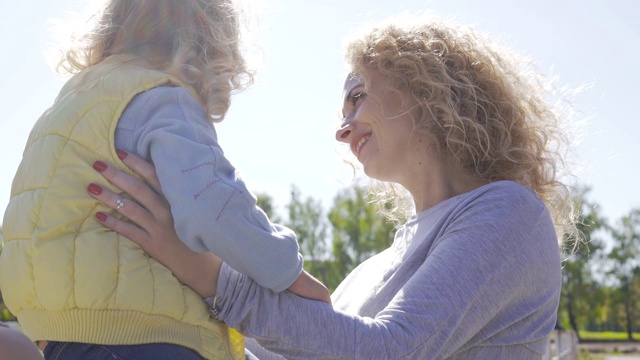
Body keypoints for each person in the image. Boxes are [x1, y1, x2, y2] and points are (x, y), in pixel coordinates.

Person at [86, 14, 578, 359]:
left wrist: (209, 273)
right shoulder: (375, 267)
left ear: (429, 89)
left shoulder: (509, 212)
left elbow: (389, 351)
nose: (342, 131)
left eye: (357, 98)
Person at [0, 1, 329, 359]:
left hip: (58, 335)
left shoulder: (67, 106)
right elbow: (212, 203)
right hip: (143, 334)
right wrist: (288, 272)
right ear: (210, 48)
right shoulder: (161, 96)